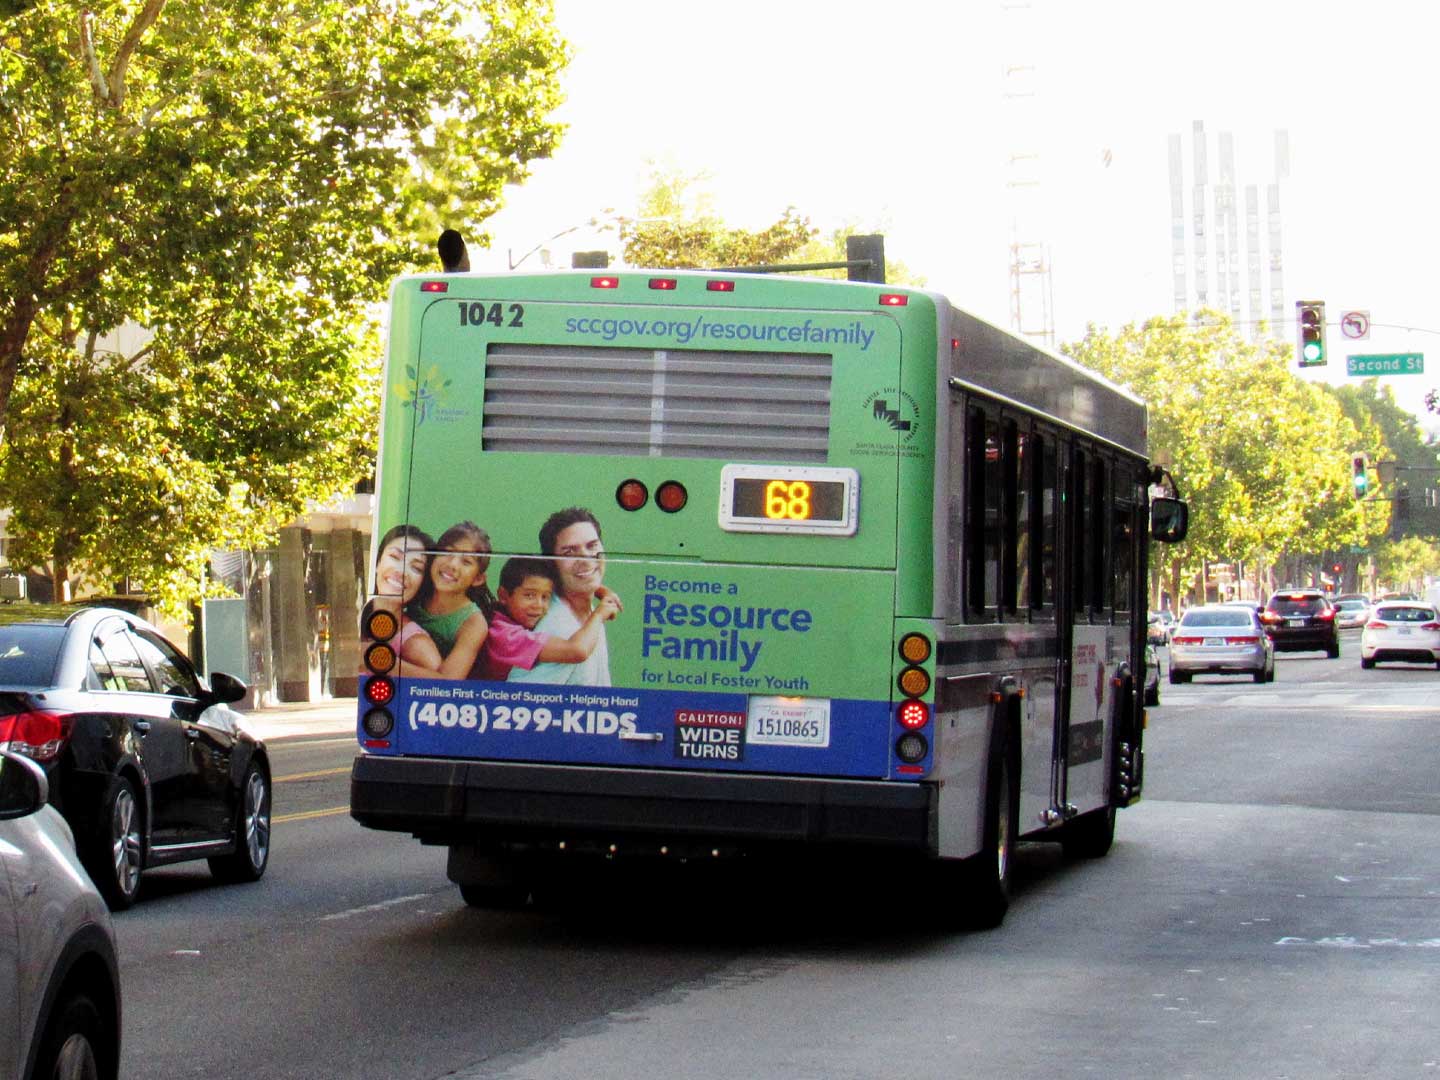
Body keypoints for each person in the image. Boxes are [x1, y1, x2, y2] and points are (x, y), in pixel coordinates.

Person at [471, 556, 620, 682]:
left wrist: (602, 591)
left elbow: (568, 585)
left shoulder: (508, 612)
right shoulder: (504, 636)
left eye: (545, 597)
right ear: (503, 596)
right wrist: (599, 614)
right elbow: (577, 650)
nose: (538, 605)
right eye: (529, 595)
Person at [524, 508, 622, 686]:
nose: (585, 558)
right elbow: (518, 702)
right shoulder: (559, 629)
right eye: (569, 552)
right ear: (552, 564)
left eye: (592, 545)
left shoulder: (591, 611)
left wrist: (603, 593)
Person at [360, 524, 451, 680]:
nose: (401, 571)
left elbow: (442, 687)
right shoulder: (361, 612)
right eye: (395, 557)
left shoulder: (415, 642)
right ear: (377, 563)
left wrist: (383, 661)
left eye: (416, 568)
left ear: (422, 583)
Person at [405, 521, 492, 677]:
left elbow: (448, 683)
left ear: (478, 579)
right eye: (447, 552)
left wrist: (388, 664)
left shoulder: (473, 623)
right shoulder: (416, 591)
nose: (452, 564)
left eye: (466, 562)